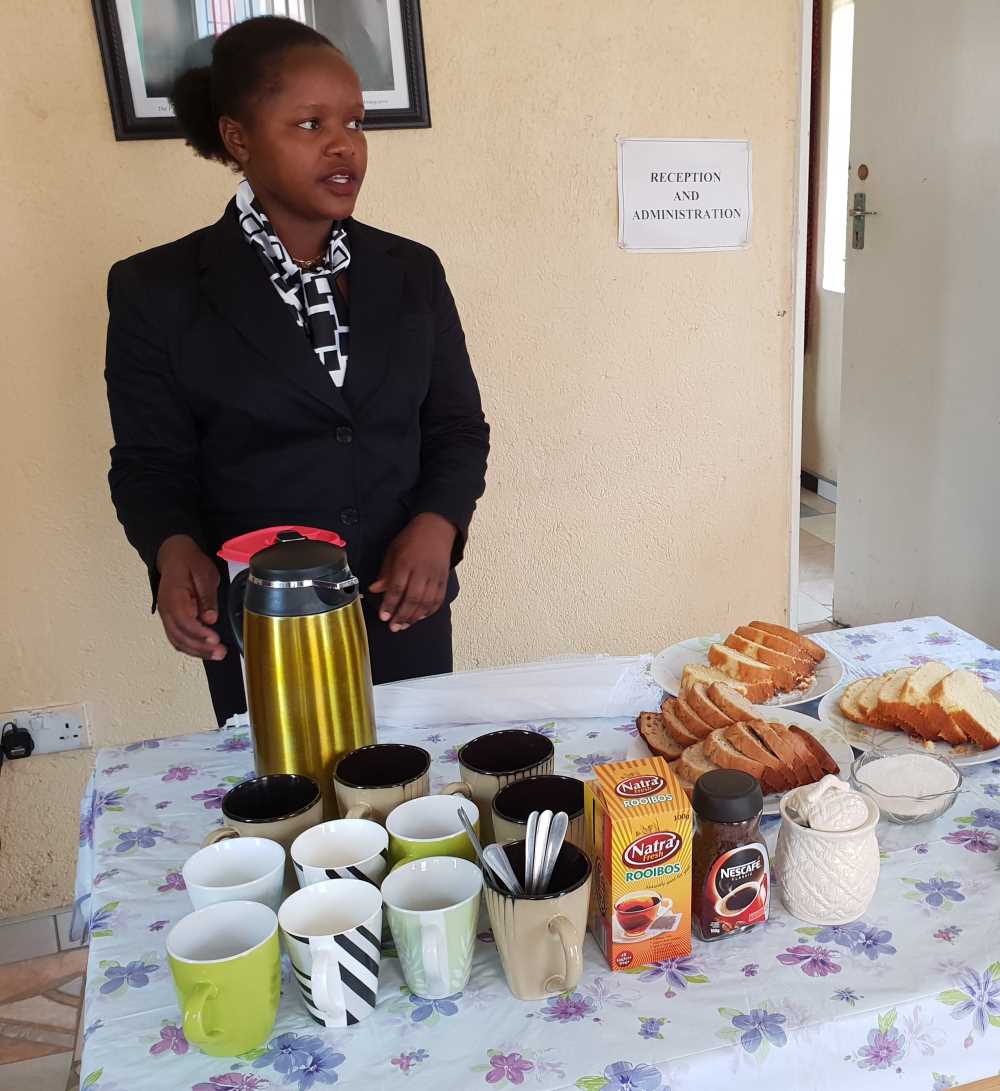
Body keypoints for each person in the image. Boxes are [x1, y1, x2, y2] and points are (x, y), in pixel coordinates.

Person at [105, 16, 489, 724]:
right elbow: (149, 461)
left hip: (402, 602)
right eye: (310, 123)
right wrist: (172, 548)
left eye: (354, 121)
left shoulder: (410, 272)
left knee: (410, 804)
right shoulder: (156, 289)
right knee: (289, 814)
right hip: (260, 621)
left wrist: (439, 525)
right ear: (238, 138)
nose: (345, 144)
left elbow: (458, 427)